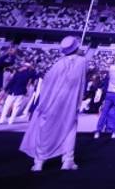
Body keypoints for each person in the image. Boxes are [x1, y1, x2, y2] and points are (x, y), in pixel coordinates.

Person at [20, 36, 87, 172]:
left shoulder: (58, 65)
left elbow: (47, 84)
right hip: (70, 101)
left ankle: (39, 161)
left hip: (53, 101)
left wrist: (44, 103)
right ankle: (67, 160)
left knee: (45, 128)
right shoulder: (82, 62)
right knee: (70, 128)